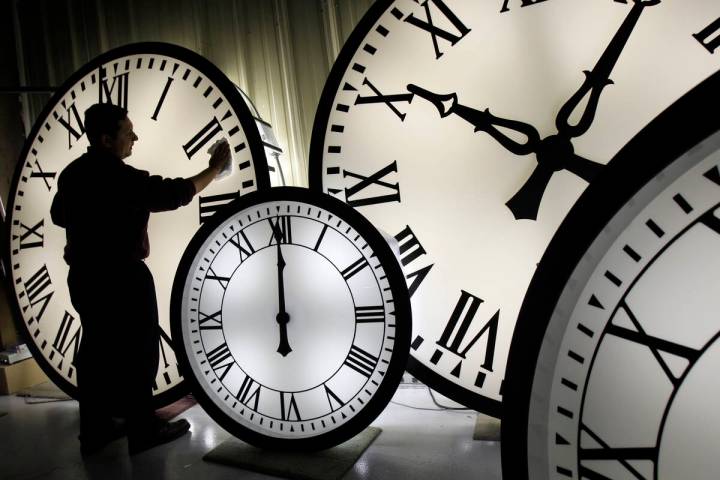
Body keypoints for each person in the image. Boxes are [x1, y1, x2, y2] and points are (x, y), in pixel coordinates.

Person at [50, 102, 230, 456]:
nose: (135, 137)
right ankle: (142, 430)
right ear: (106, 140)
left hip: (85, 277)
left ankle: (96, 429)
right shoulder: (120, 178)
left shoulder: (72, 175)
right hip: (124, 278)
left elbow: (59, 215)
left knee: (95, 351)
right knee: (139, 353)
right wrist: (214, 169)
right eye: (127, 131)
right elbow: (173, 193)